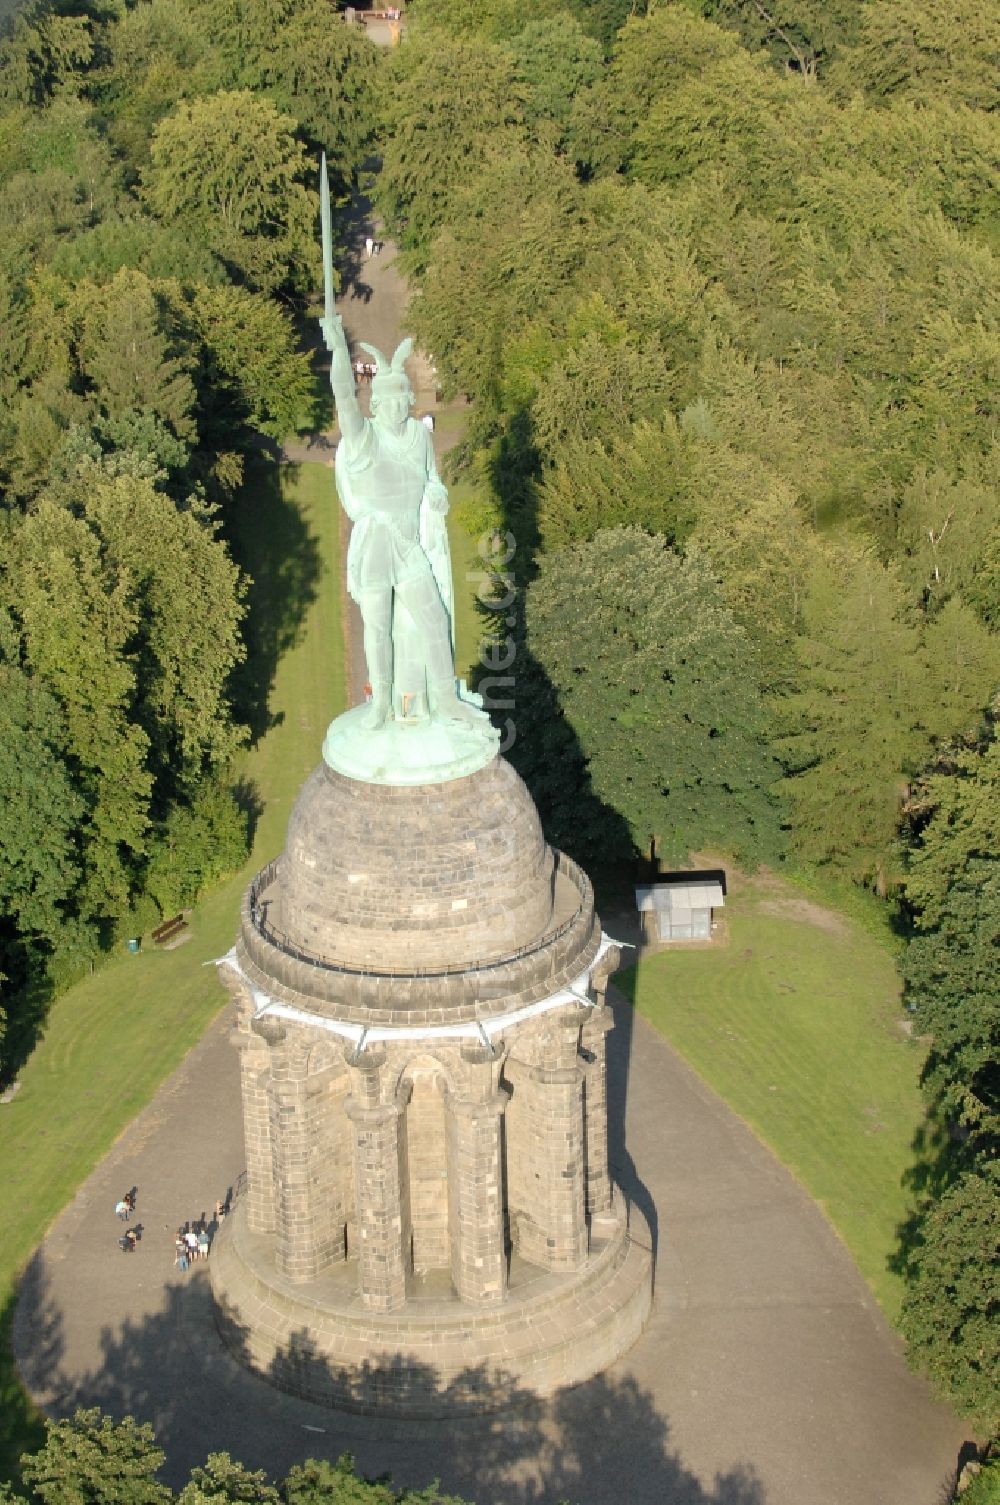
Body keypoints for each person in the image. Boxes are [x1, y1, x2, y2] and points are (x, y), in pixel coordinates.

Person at [325, 325, 485, 731]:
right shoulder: (364, 440)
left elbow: (430, 477)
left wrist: (437, 493)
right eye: (386, 400)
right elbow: (345, 398)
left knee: (435, 620)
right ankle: (381, 701)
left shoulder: (417, 436)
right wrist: (338, 351)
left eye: (401, 399)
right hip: (377, 545)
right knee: (377, 626)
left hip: (408, 544)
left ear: (409, 401)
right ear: (376, 404)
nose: (394, 407)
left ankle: (447, 700)